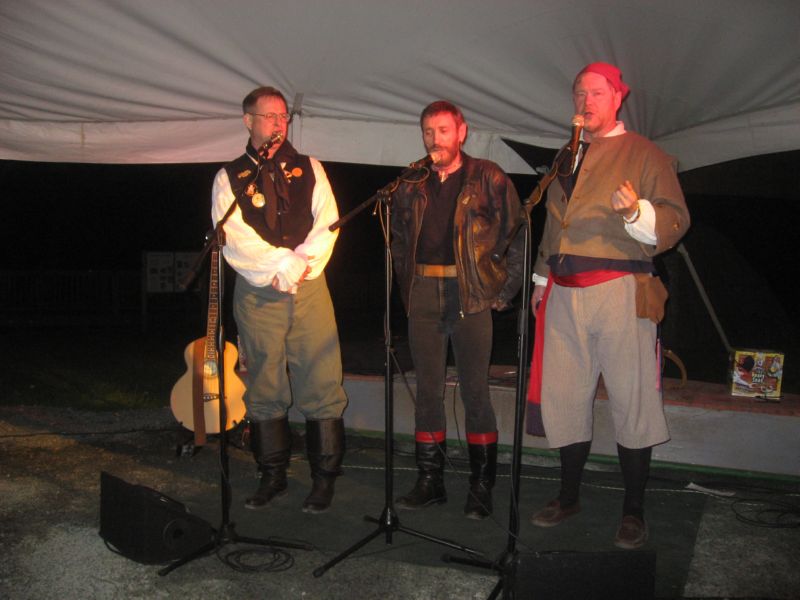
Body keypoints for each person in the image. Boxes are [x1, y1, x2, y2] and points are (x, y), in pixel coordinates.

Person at [526, 62, 690, 548]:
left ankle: (633, 511)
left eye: (597, 92)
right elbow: (555, 222)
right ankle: (568, 496)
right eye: (580, 93)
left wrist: (637, 211)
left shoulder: (645, 152)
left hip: (620, 289)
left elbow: (676, 219)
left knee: (632, 400)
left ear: (619, 97)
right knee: (564, 397)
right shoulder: (567, 155)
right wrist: (541, 278)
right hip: (563, 289)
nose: (585, 101)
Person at [211, 86, 348, 514]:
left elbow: (328, 222)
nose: (278, 123)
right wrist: (278, 264)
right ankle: (272, 476)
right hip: (259, 290)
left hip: (309, 286)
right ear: (248, 121)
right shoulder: (229, 176)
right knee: (265, 383)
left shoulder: (311, 168)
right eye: (269, 116)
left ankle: (323, 480)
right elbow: (233, 236)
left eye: (283, 116)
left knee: (321, 378)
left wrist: (300, 263)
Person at [391, 100, 524, 520]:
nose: (435, 139)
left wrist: (504, 289)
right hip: (424, 291)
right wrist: (408, 289)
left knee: (475, 391)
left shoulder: (488, 176)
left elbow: (517, 234)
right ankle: (430, 481)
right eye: (428, 131)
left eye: (444, 130)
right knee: (427, 392)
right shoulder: (410, 183)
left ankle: (481, 485)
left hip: (470, 293)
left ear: (462, 132)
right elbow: (398, 241)